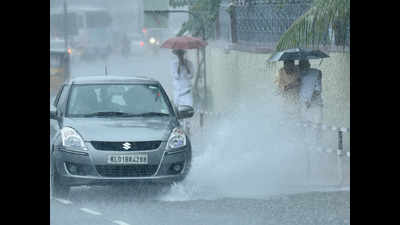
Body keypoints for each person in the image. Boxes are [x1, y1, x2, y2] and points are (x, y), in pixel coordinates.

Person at [298, 59, 323, 147]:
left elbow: (317, 91)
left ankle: (317, 144)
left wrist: (310, 101)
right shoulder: (297, 75)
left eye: (305, 65)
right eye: (301, 65)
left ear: (309, 64)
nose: (302, 67)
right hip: (303, 105)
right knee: (304, 126)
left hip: (315, 105)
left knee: (316, 125)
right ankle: (305, 145)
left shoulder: (316, 73)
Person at [171, 49, 195, 135]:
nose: (180, 56)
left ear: (183, 54)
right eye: (178, 54)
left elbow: (191, 75)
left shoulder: (189, 63)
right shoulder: (174, 64)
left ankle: (188, 129)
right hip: (178, 93)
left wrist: (185, 66)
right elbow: (175, 76)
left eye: (181, 54)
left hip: (187, 92)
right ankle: (180, 130)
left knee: (188, 111)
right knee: (178, 114)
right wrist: (179, 65)